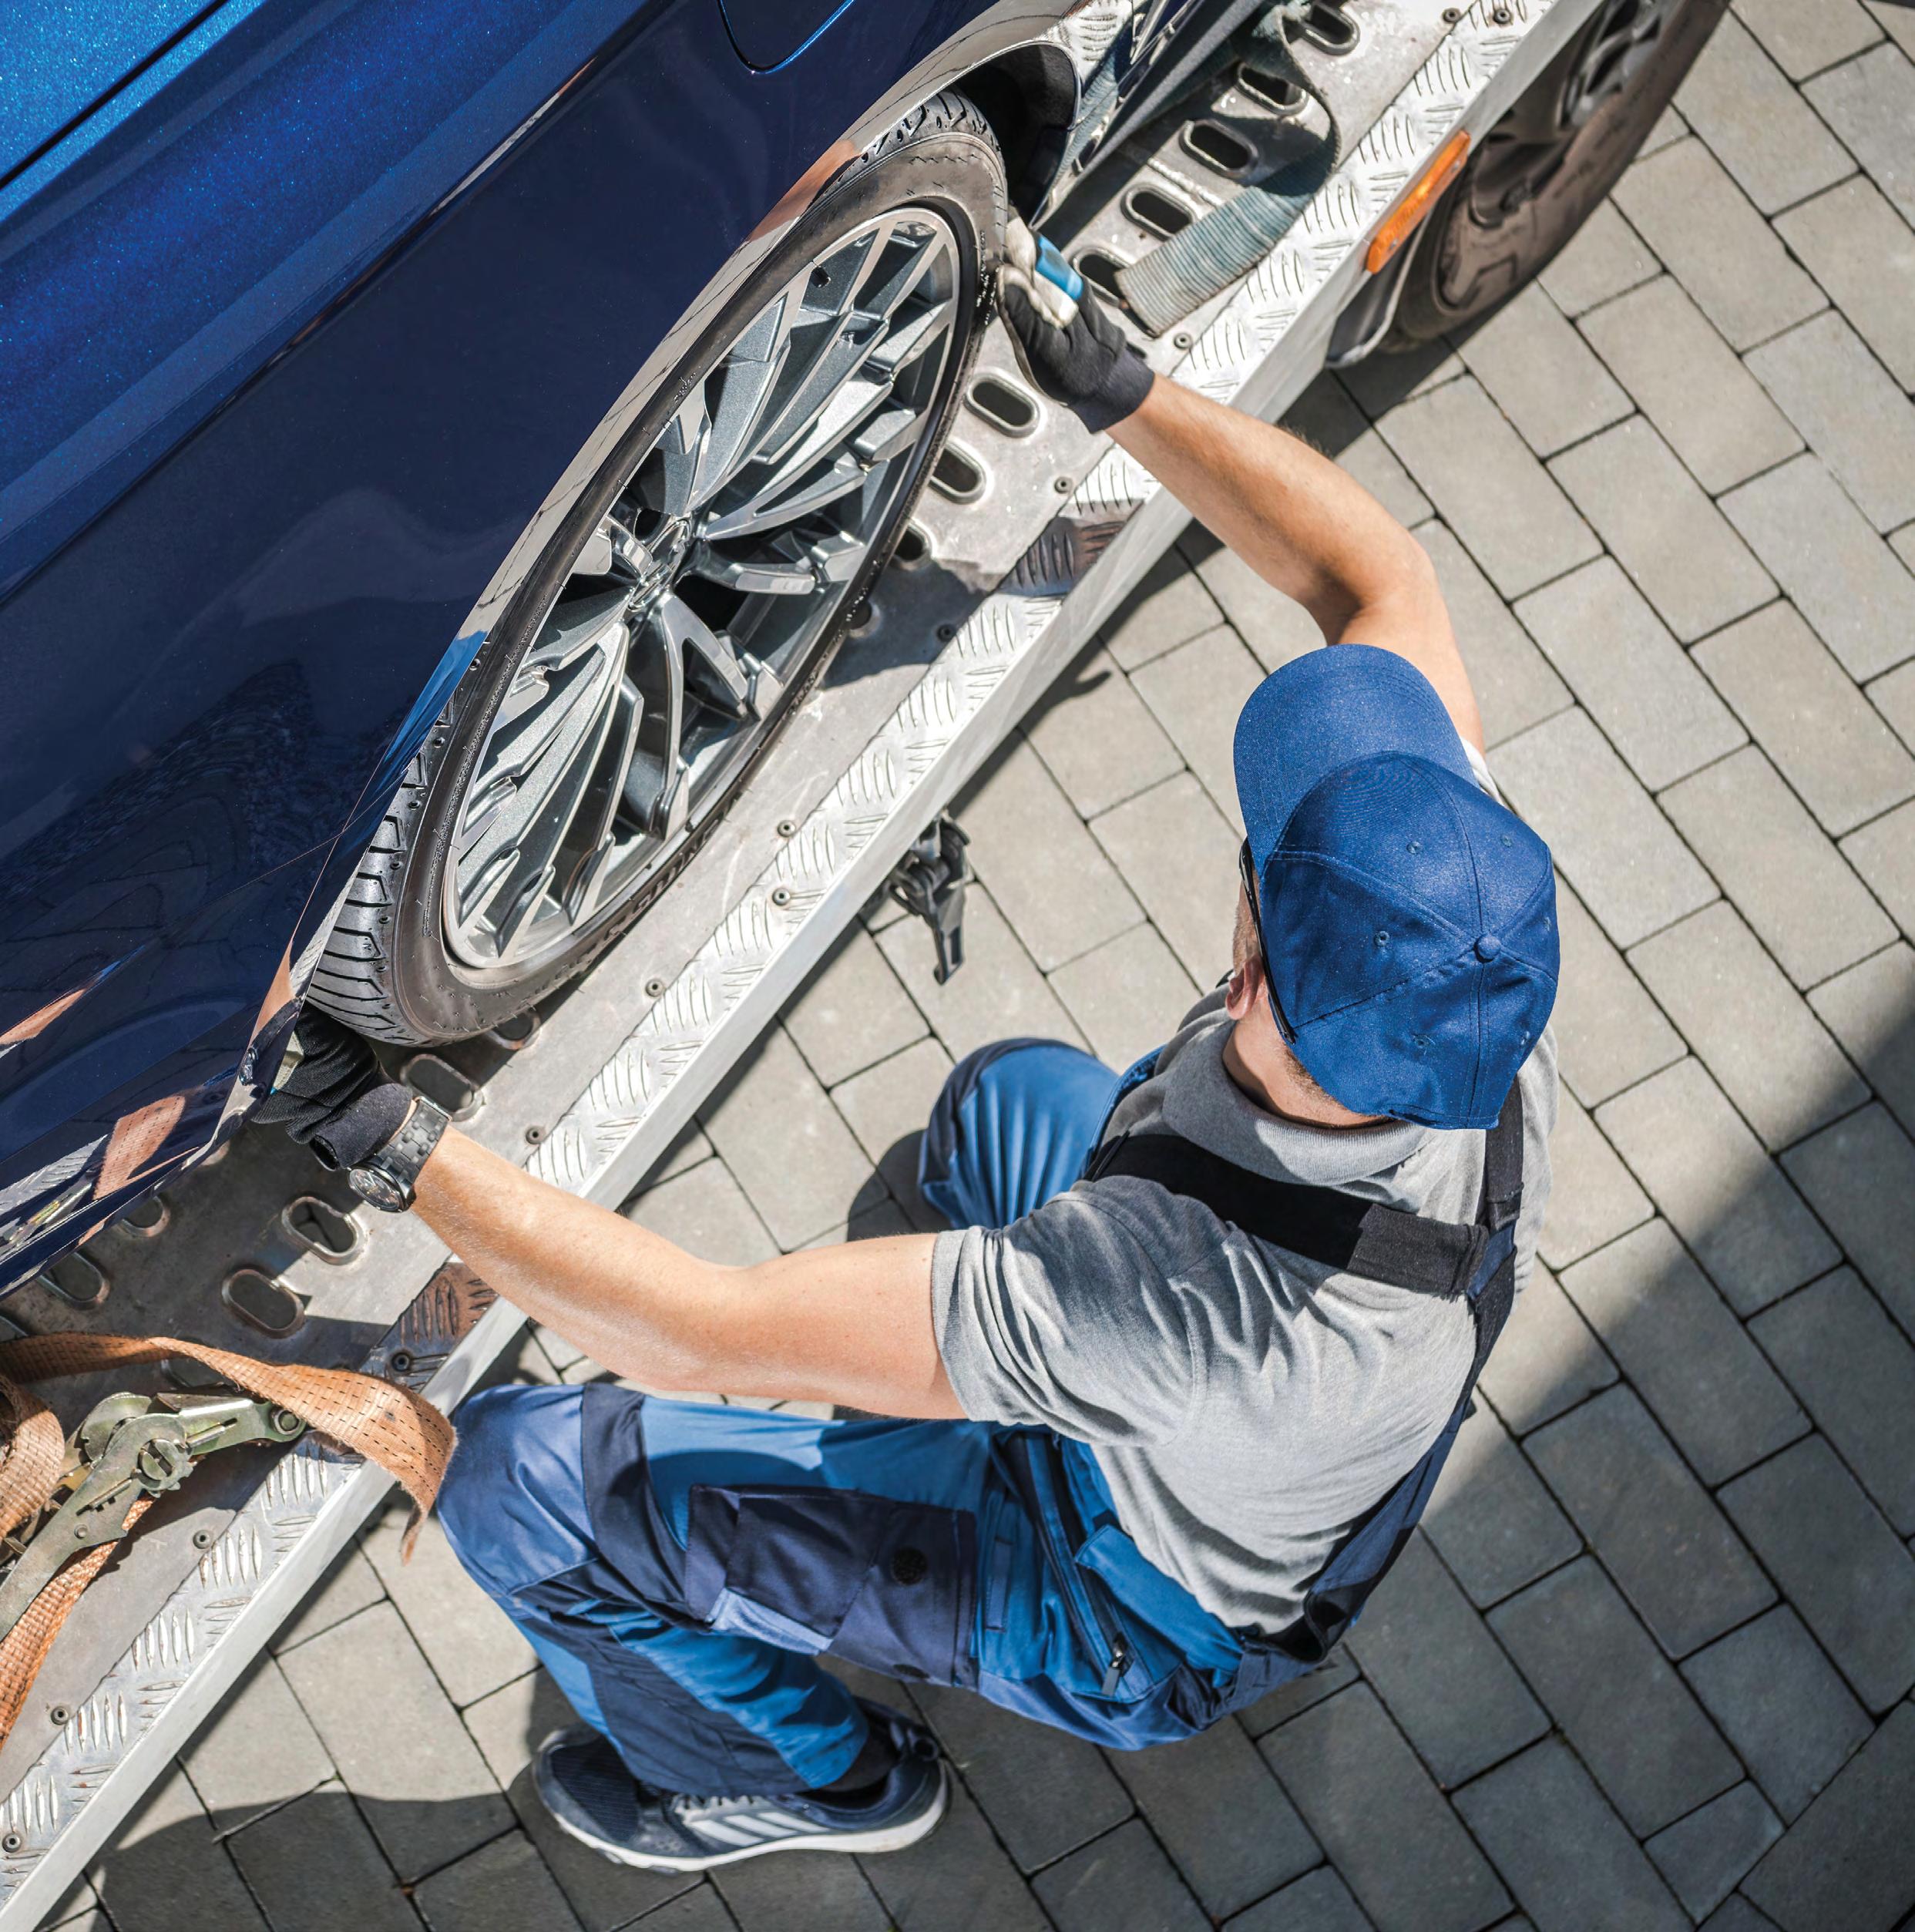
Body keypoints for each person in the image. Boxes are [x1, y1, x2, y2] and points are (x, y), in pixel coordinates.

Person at [258, 265, 1559, 1874]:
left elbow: (696, 1337)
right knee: (1007, 1098)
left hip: (1117, 1600)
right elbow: (1377, 579)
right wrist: (1126, 395)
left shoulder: (1158, 1301)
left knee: (519, 1484)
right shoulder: (1463, 939)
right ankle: (915, 1428)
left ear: (1253, 980)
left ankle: (811, 1778)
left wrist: (373, 1126)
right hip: (1251, 1427)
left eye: (1261, 853)